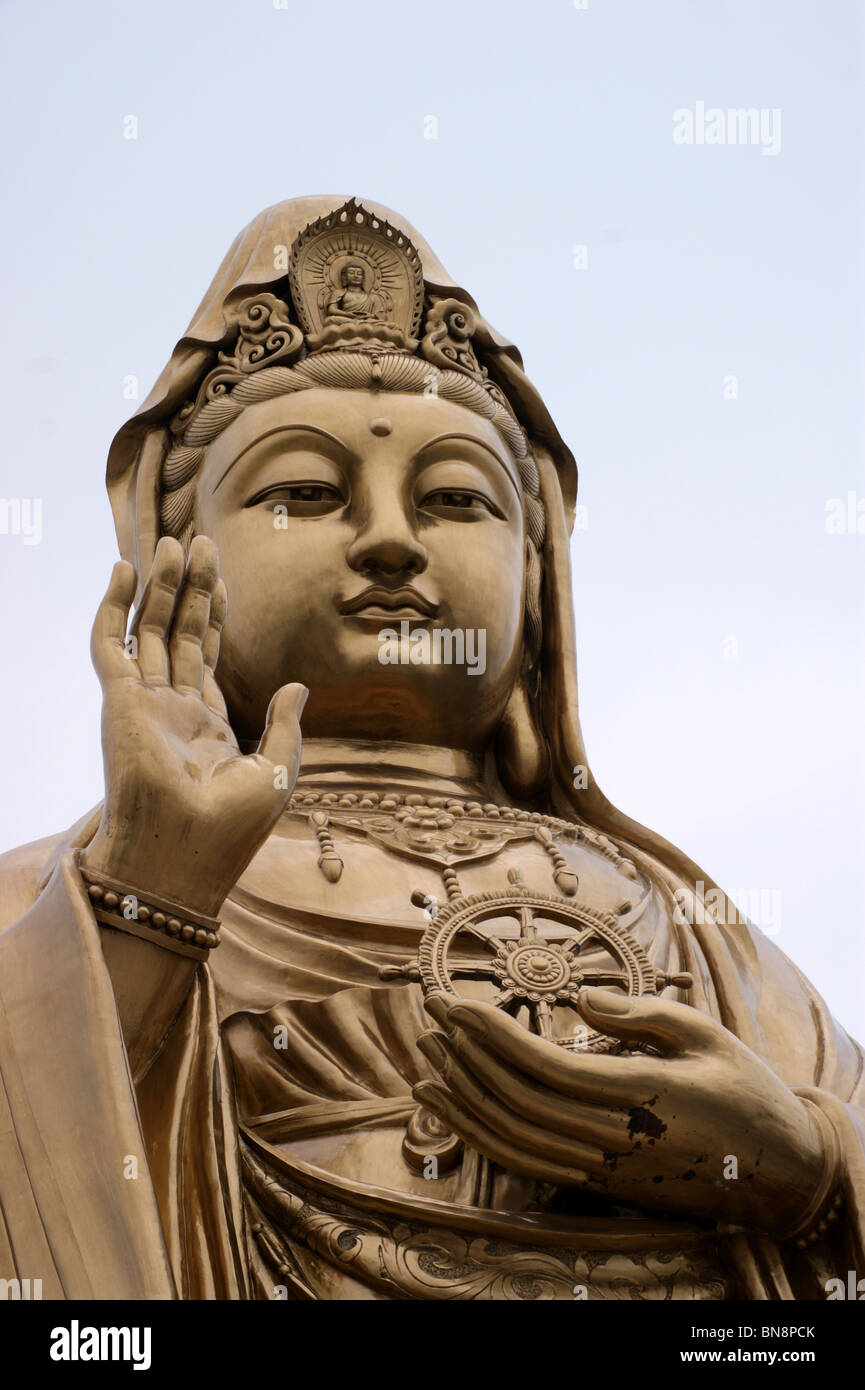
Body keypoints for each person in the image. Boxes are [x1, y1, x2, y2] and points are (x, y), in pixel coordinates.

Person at [0, 195, 861, 1301]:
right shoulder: (60, 900)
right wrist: (147, 910)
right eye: (305, 491)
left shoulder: (690, 923)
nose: (392, 539)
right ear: (181, 557)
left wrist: (800, 1163)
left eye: (455, 497)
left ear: (540, 580)